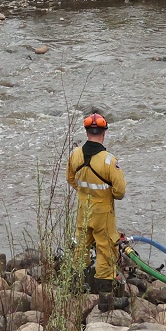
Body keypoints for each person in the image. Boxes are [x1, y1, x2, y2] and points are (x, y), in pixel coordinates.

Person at [67, 112, 127, 307]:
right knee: (106, 249)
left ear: (87, 131)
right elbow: (120, 192)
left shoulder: (75, 154)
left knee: (81, 246)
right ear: (104, 133)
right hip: (103, 213)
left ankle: (76, 288)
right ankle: (105, 299)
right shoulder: (109, 161)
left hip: (83, 210)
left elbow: (71, 179)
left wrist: (84, 192)